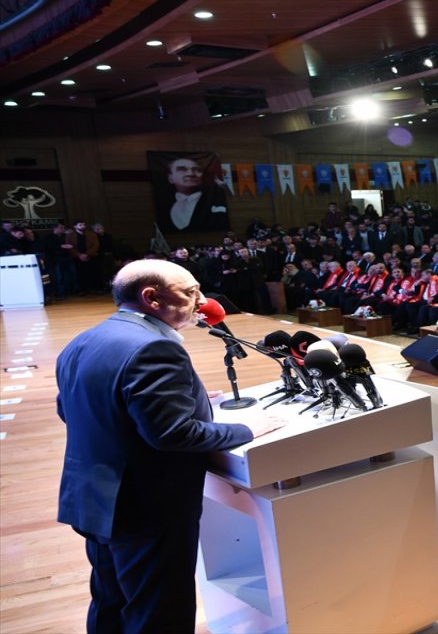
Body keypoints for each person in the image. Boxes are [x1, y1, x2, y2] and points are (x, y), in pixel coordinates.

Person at [55, 260, 284, 632]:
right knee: (159, 613)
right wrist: (246, 429)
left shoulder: (84, 340)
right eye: (190, 292)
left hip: (92, 499)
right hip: (144, 509)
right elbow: (174, 435)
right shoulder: (154, 348)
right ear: (152, 298)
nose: (201, 300)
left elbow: (71, 409)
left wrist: (177, 402)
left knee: (111, 603)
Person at [159, 157, 230, 232]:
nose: (191, 174)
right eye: (182, 170)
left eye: (197, 170)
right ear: (170, 178)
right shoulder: (164, 205)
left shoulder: (216, 200)